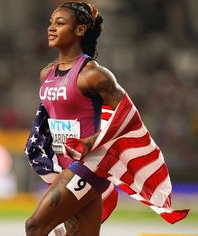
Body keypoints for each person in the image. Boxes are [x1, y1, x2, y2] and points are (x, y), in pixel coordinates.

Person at [25, 2, 188, 236]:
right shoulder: (46, 74)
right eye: (50, 23)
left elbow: (127, 117)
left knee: (34, 226)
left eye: (60, 23)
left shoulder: (93, 74)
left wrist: (91, 141)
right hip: (64, 161)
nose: (51, 28)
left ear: (80, 30)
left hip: (89, 164)